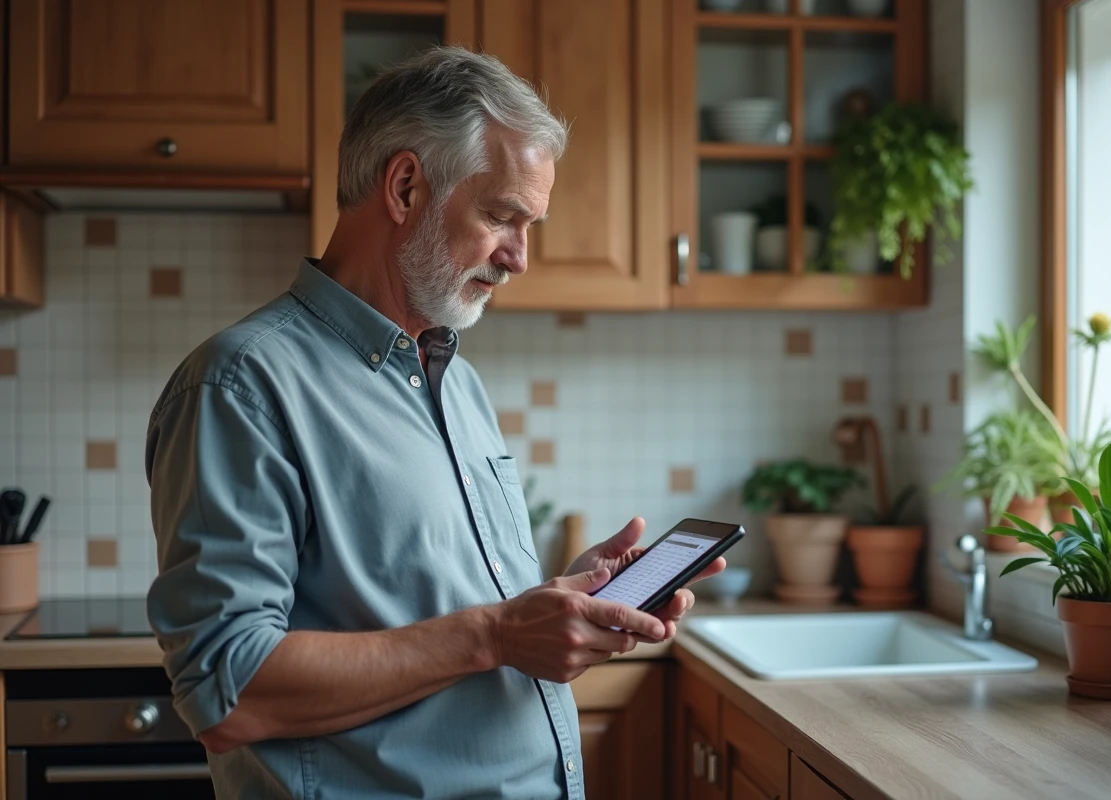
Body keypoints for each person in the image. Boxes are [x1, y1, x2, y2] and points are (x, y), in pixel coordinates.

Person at [145, 46, 724, 799]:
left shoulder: (457, 382)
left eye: (530, 224)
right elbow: (231, 689)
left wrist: (554, 606)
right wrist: (499, 635)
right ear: (407, 185)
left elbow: (457, 619)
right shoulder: (241, 386)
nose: (519, 258)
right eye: (502, 215)